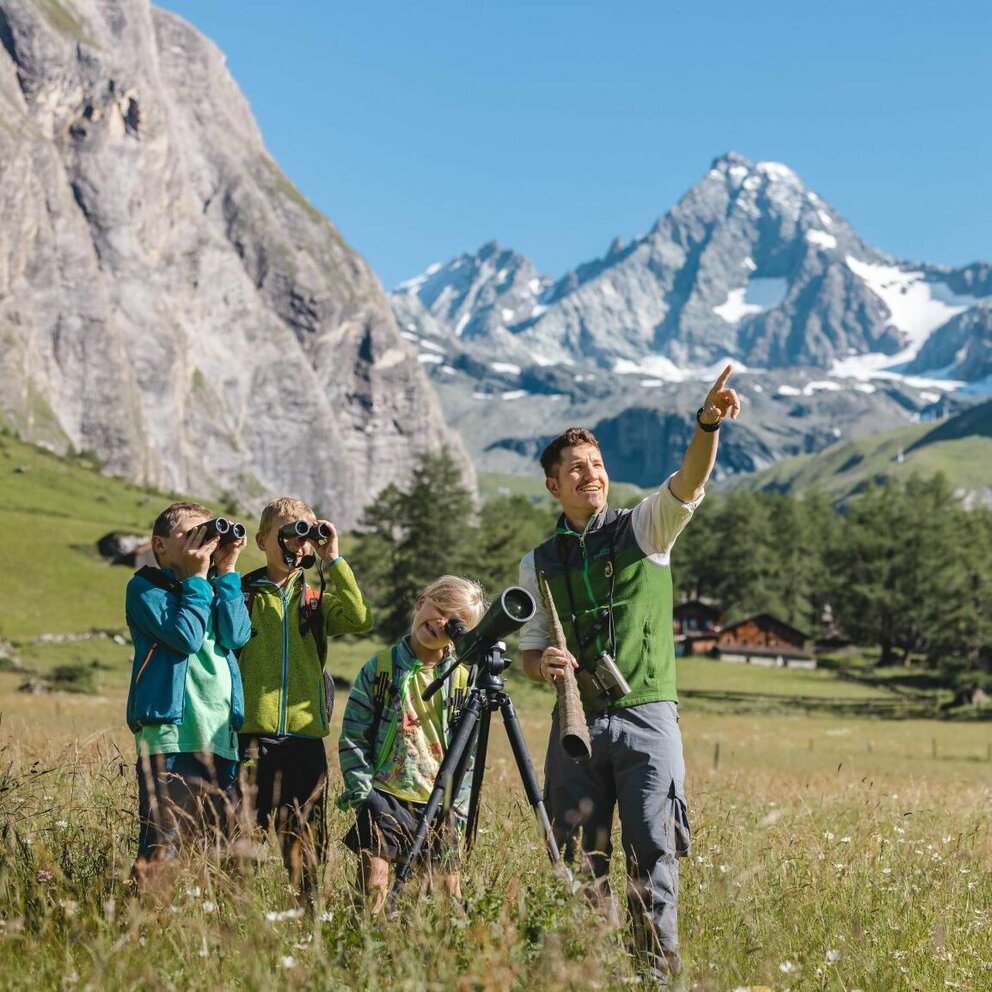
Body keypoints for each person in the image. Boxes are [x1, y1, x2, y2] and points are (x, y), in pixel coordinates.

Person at [517, 365, 741, 984]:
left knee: (653, 857)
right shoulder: (535, 561)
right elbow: (529, 653)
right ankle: (591, 972)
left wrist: (707, 424)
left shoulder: (645, 528)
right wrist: (545, 666)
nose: (592, 474)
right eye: (577, 468)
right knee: (580, 861)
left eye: (596, 463)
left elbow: (689, 481)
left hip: (647, 718)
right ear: (553, 485)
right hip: (576, 727)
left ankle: (655, 978)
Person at [237, 496, 373, 902]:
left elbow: (357, 616)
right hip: (250, 738)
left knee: (306, 847)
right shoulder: (240, 596)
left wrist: (332, 558)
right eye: (288, 534)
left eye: (306, 537)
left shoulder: (313, 601)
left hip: (304, 742)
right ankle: (233, 915)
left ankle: (308, 913)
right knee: (239, 840)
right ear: (263, 540)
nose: (298, 545)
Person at [337, 575, 487, 913]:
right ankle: (367, 945)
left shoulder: (464, 681)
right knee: (374, 881)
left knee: (448, 889)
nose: (440, 622)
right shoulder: (380, 668)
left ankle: (437, 947)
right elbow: (353, 735)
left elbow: (470, 756)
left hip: (440, 800)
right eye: (438, 608)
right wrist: (363, 794)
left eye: (454, 623)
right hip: (385, 793)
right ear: (421, 603)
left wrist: (458, 808)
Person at [125, 501, 251, 891]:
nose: (203, 541)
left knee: (225, 853)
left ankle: (215, 934)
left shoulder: (213, 588)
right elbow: (186, 638)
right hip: (171, 737)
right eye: (191, 534)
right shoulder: (145, 587)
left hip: (220, 739)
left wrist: (226, 573)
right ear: (159, 545)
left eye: (208, 533)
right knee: (164, 848)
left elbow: (236, 635)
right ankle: (144, 928)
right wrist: (199, 579)